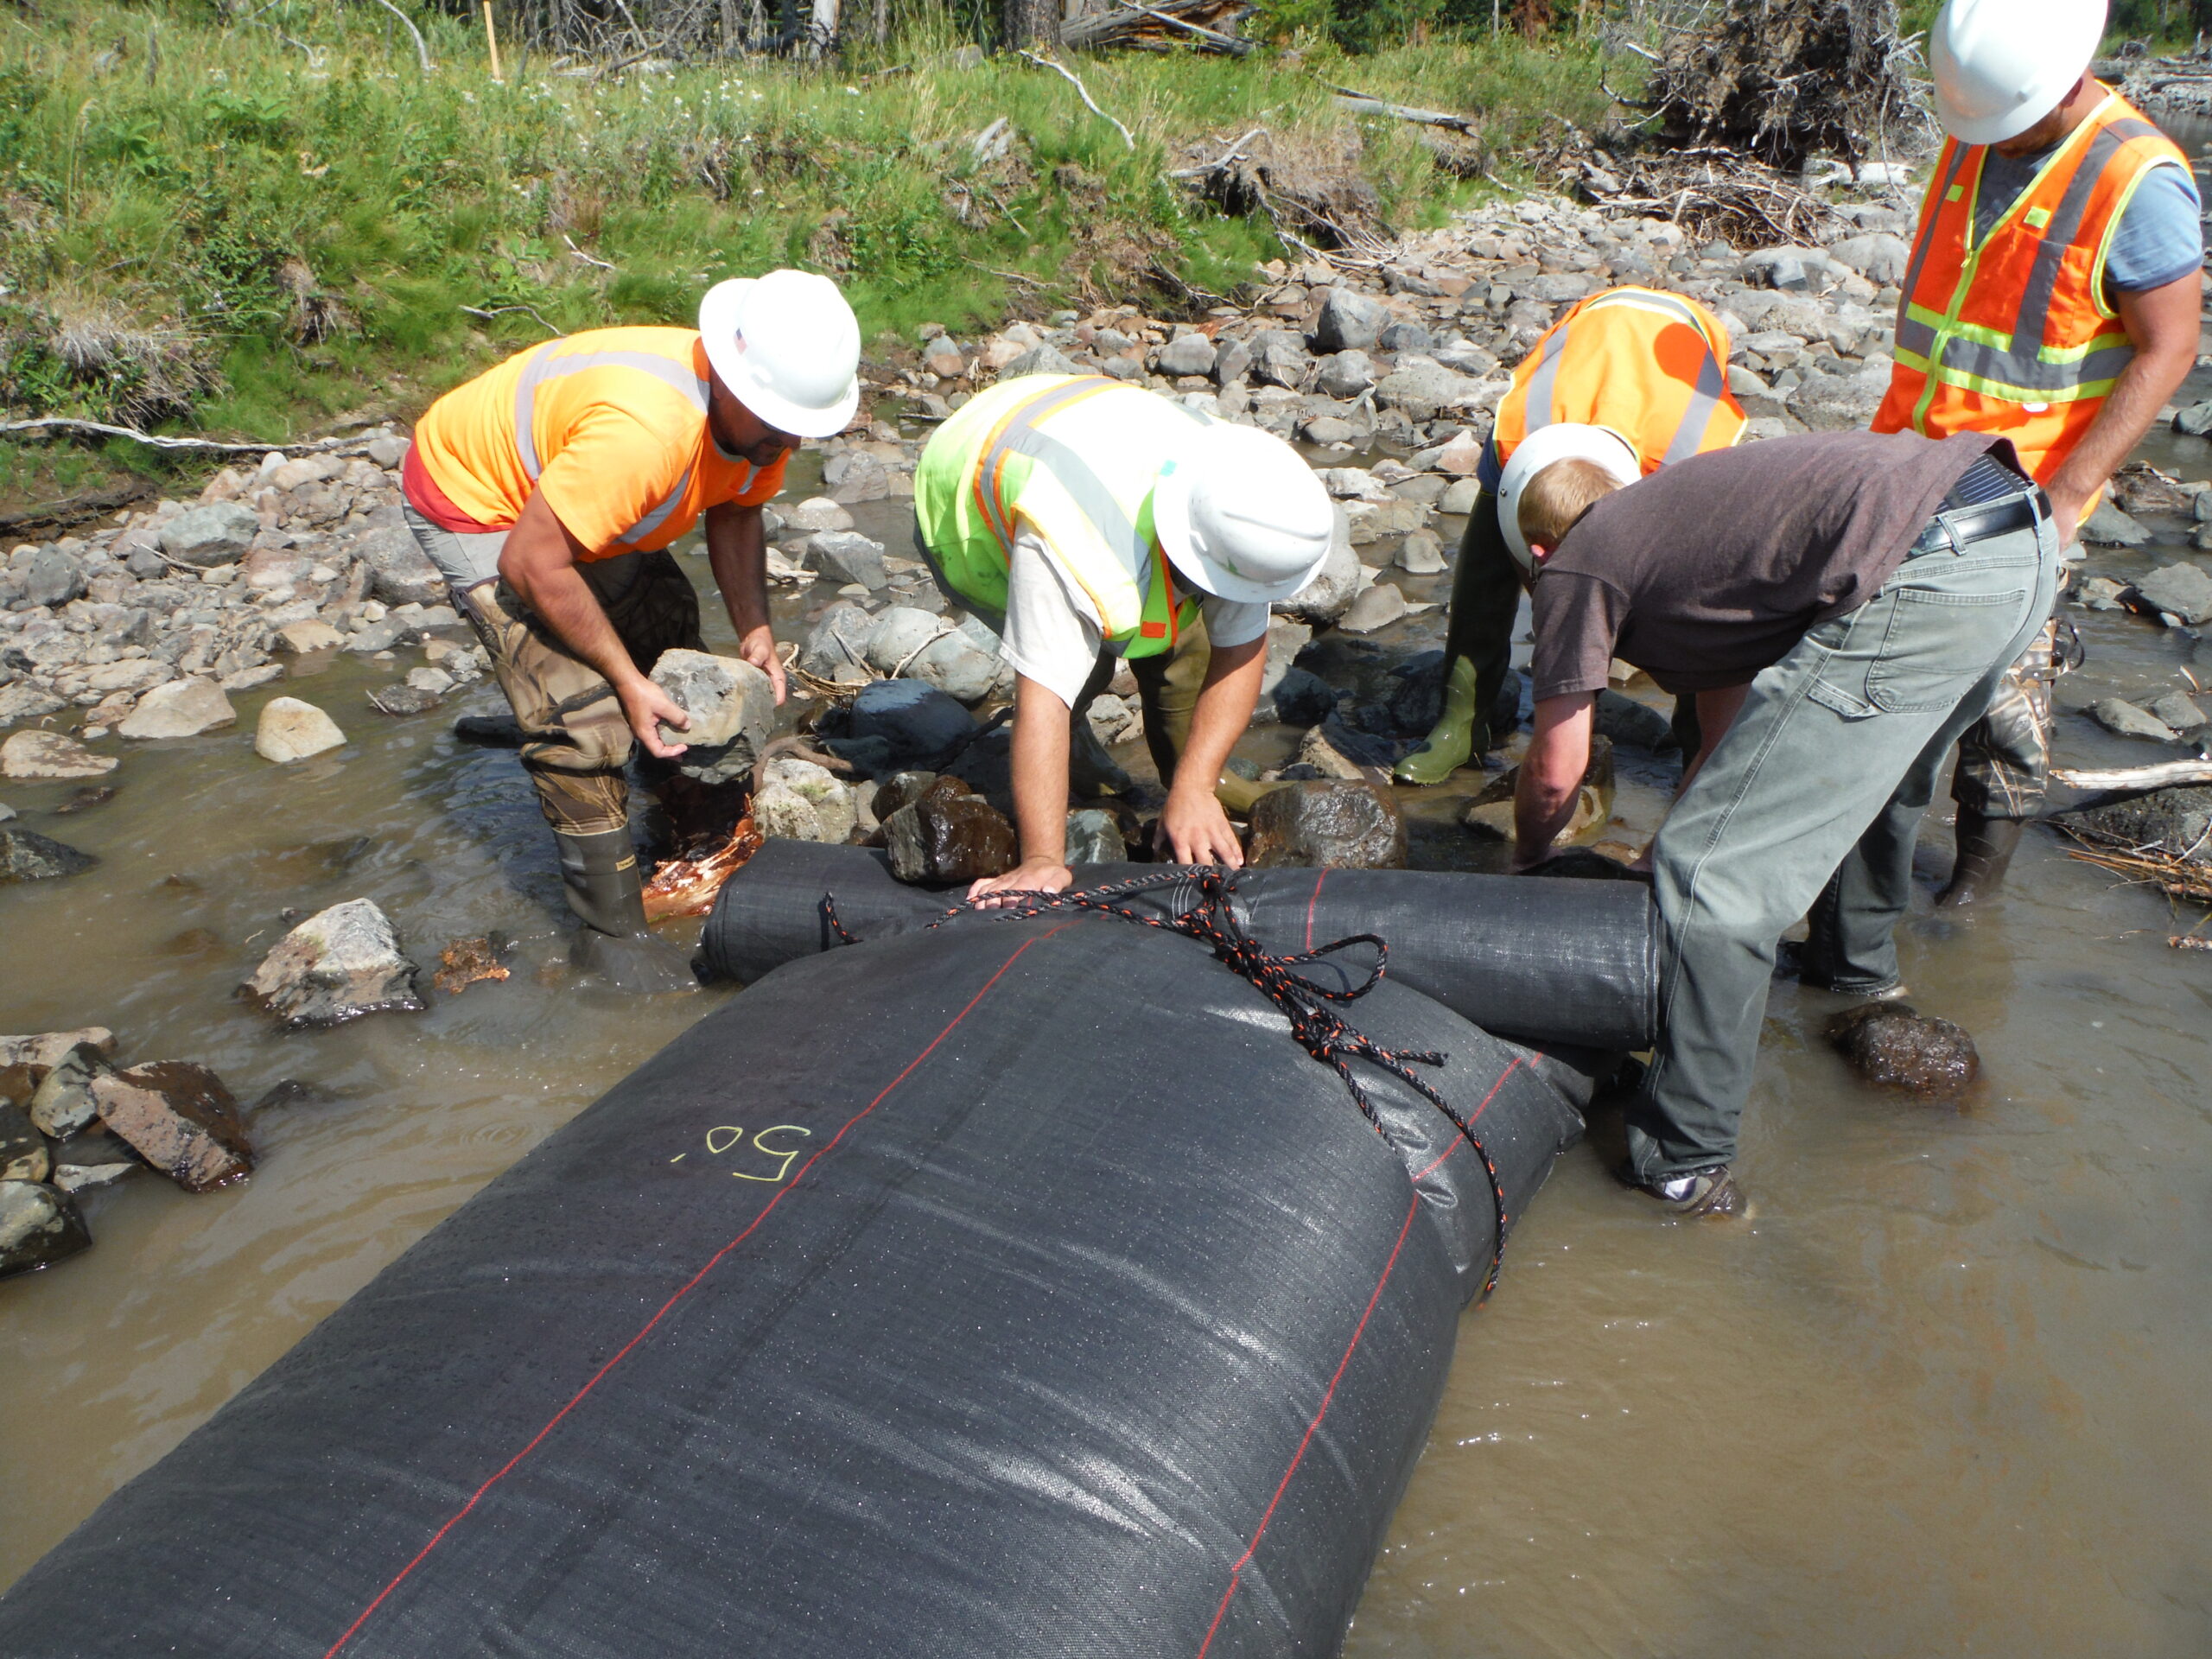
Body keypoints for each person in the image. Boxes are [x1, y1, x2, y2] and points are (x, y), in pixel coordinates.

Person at [1512, 430, 2057, 1217]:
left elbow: (1556, 767)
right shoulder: (1682, 531)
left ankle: (1682, 1167)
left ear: (1536, 549)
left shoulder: (1574, 562)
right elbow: (1739, 744)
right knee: (1878, 775)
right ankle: (1857, 982)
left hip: (1930, 561)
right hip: (2019, 540)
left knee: (1719, 876)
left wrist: (1531, 862)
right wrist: (1662, 847)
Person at [400, 270, 861, 987]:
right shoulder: (648, 434)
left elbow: (736, 508)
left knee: (667, 623)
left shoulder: (762, 425)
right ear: (735, 386)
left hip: (573, 488)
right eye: (777, 426)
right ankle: (607, 934)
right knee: (580, 716)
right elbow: (529, 561)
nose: (789, 441)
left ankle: (692, 834)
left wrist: (756, 628)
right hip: (478, 498)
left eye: (802, 425)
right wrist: (620, 681)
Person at [1868, 0, 2202, 911]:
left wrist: (2070, 492)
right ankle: (1865, 893)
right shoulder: (1978, 127)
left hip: (2021, 496)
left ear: (2064, 81)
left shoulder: (2137, 179)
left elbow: (2169, 346)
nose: (1995, 142)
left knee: (2005, 714)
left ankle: (1970, 902)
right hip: (1905, 469)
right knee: (1878, 692)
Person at [912, 374, 1335, 904]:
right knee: (1075, 671)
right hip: (967, 492)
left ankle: (1190, 783)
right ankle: (1082, 768)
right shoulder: (1068, 538)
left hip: (1076, 421)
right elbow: (1041, 695)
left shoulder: (1240, 494)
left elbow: (1241, 648)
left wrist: (1194, 787)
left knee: (1187, 649)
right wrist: (1042, 859)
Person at [1394, 286, 1748, 785]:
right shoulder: (1515, 437)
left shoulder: (1694, 463)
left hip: (1682, 339)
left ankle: (1696, 744)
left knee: (1696, 594)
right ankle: (1464, 724)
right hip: (1589, 335)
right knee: (1484, 569)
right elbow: (1508, 532)